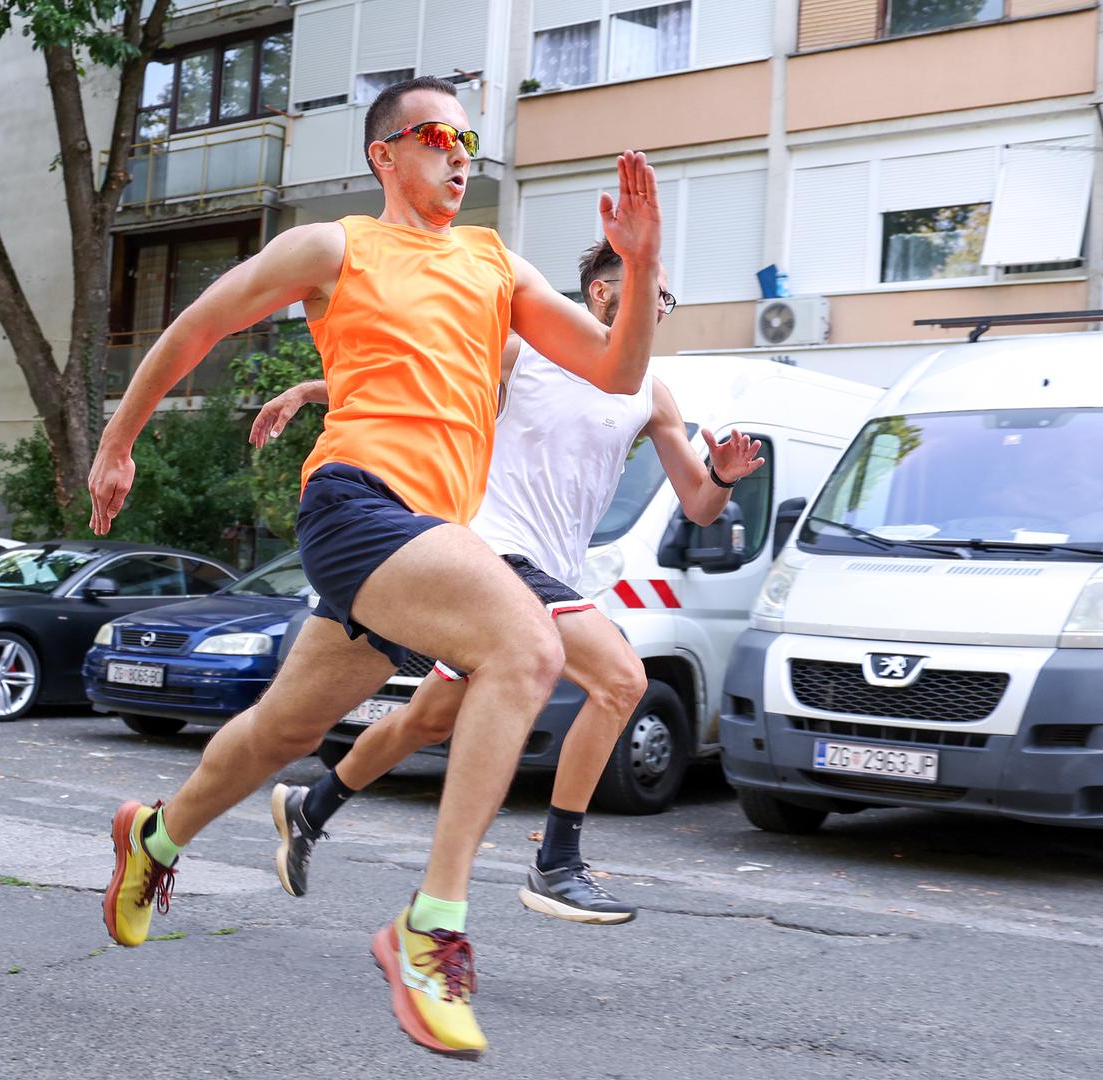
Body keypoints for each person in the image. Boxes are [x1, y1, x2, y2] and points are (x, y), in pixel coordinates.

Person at [87, 75, 664, 1059]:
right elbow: (199, 324)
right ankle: (430, 928)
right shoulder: (337, 247)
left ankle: (154, 838)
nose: (459, 153)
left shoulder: (493, 263)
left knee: (285, 728)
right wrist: (118, 438)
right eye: (438, 135)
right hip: (357, 504)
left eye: (467, 139)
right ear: (385, 154)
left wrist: (640, 266)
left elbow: (615, 368)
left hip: (426, 537)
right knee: (523, 649)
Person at [252, 238, 762, 924]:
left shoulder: (651, 393)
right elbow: (416, 374)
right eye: (650, 291)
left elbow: (699, 505)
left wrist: (723, 477)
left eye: (665, 297)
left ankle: (308, 808)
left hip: (551, 571)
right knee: (621, 680)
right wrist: (315, 389)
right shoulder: (526, 352)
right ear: (604, 293)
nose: (660, 307)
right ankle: (557, 862)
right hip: (493, 554)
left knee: (427, 719)